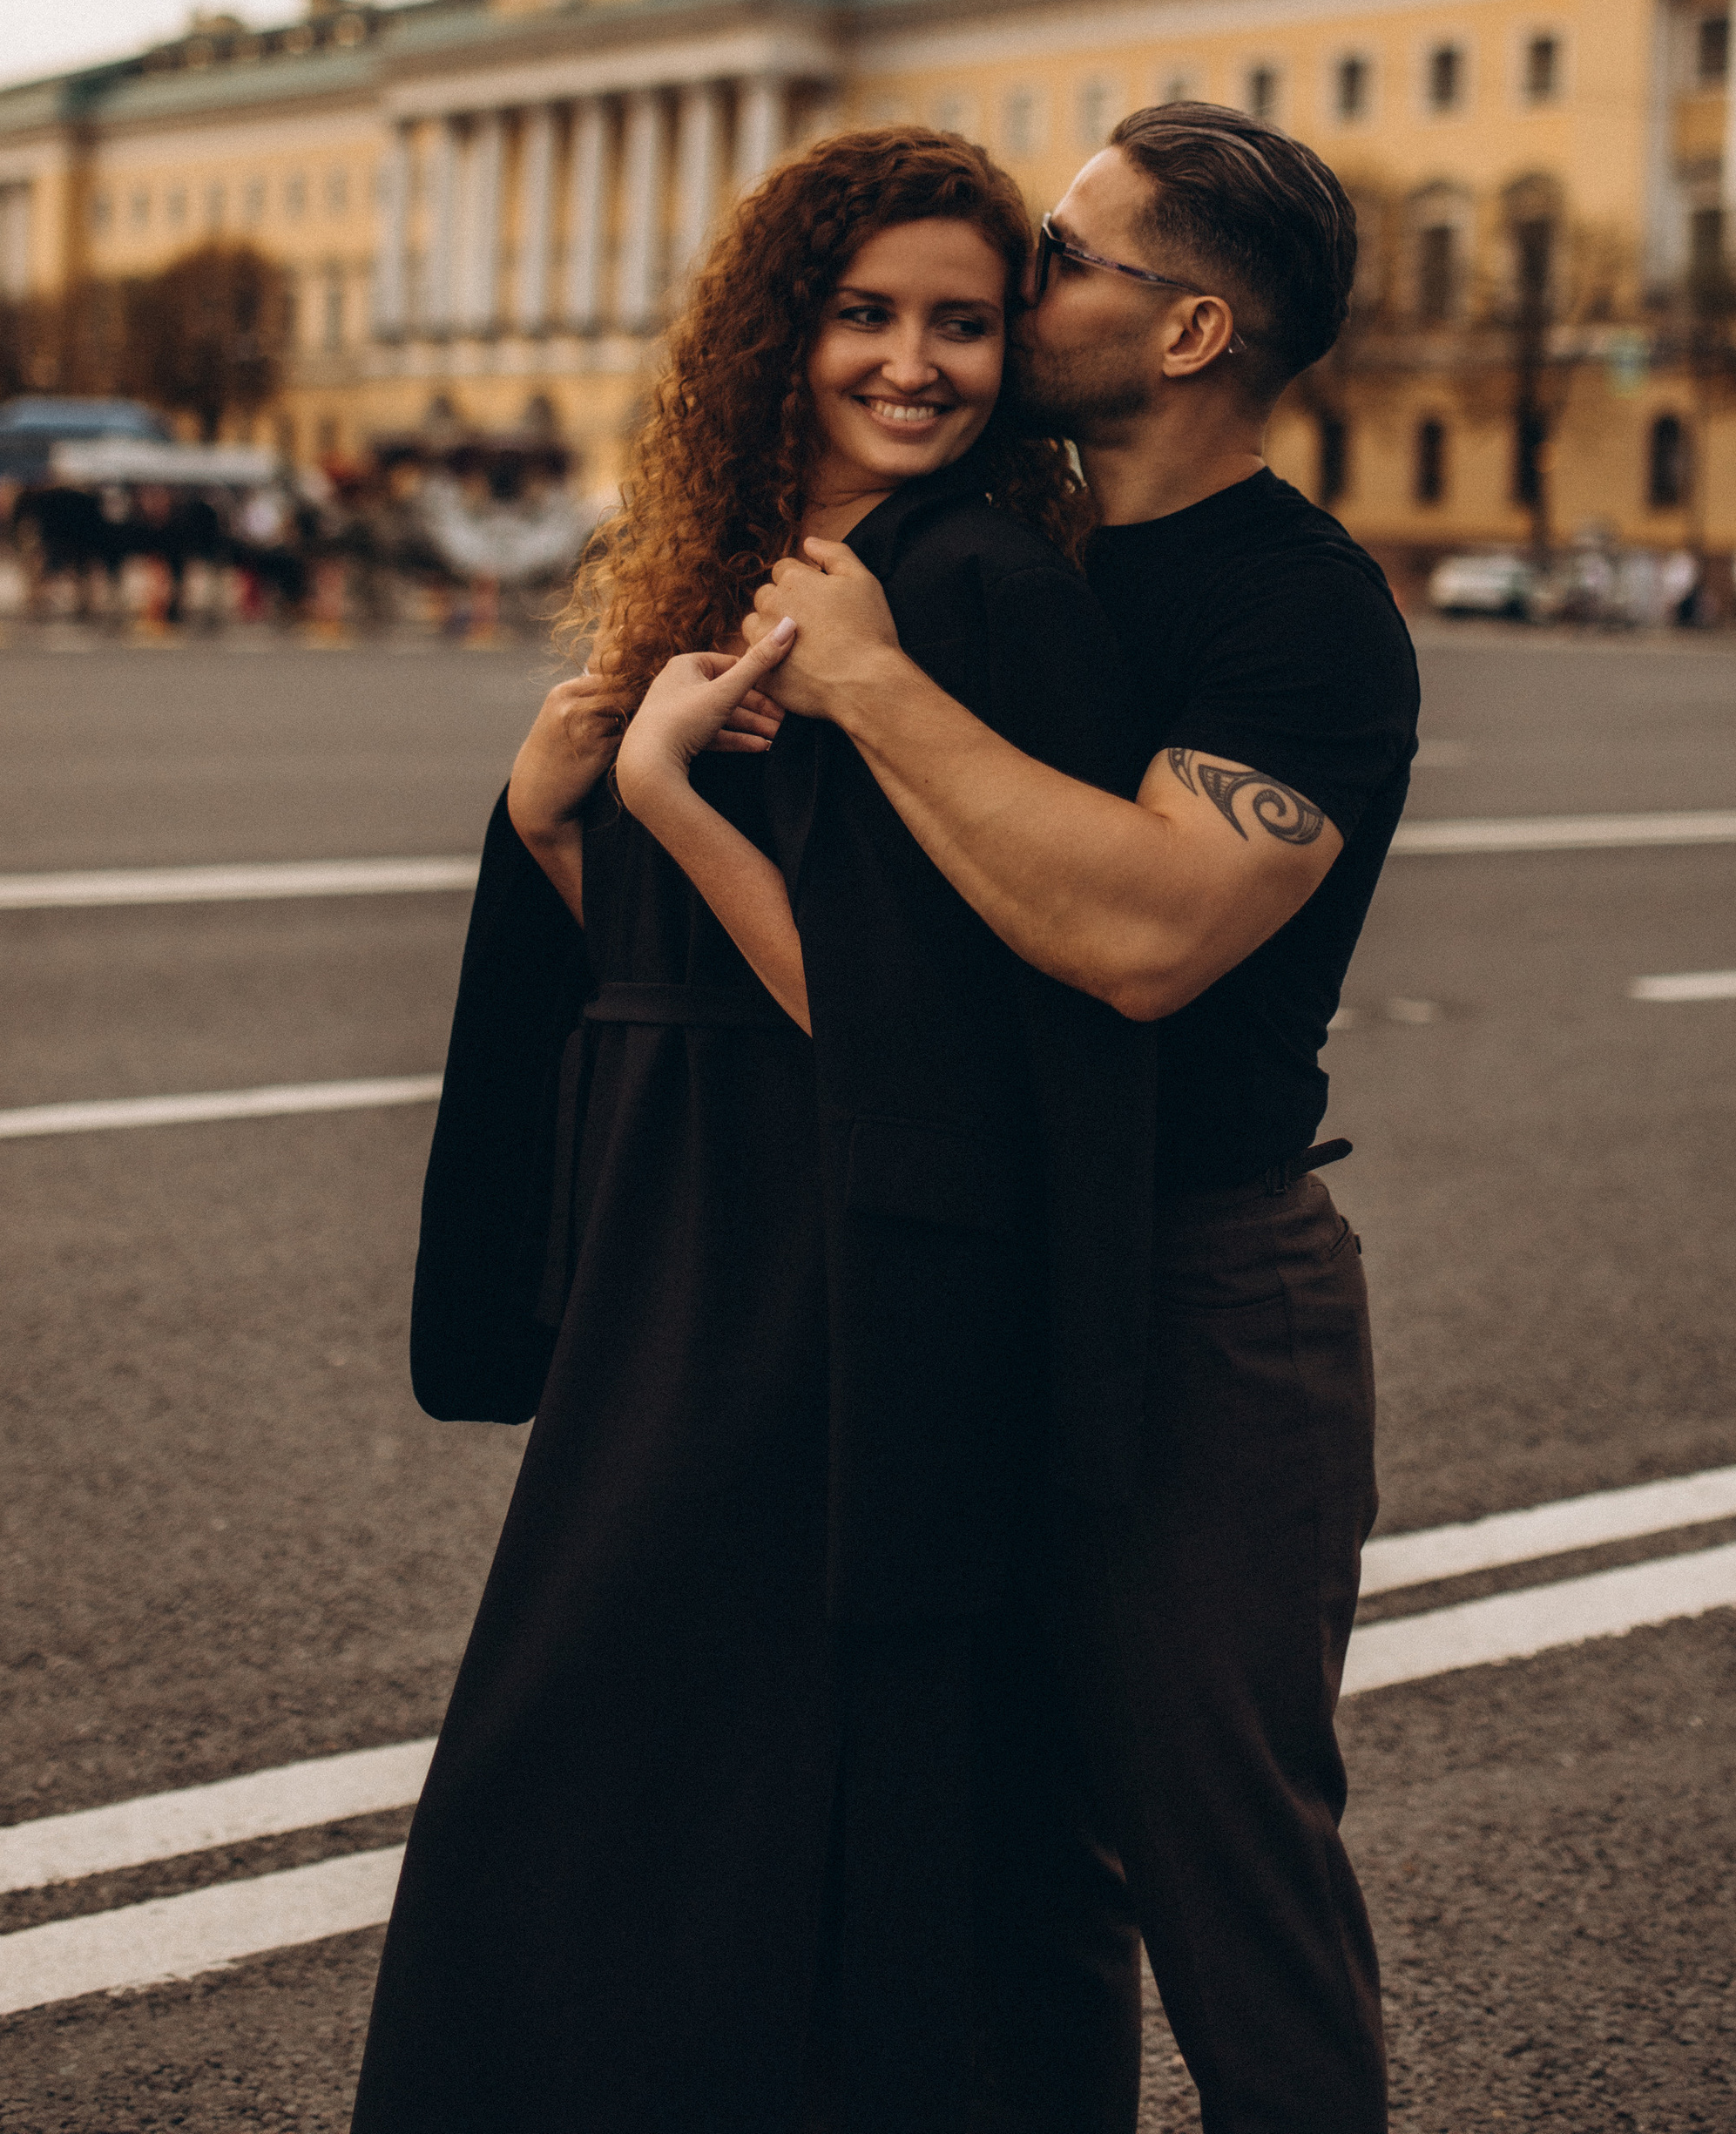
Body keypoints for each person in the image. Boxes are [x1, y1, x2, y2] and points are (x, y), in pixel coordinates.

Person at [353, 129, 1154, 2134]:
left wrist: (669, 795)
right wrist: (557, 819)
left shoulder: (970, 589)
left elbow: (918, 1037)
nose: (912, 363)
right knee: (624, 1778)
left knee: (694, 1796)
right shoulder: (744, 571)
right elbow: (659, 979)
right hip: (681, 1237)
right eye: (862, 314)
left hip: (830, 1275)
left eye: (961, 324)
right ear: (771, 331)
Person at [742, 101, 1418, 2134]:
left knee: (1225, 1863)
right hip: (982, 1256)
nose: (1010, 283)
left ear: (1190, 331)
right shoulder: (988, 540)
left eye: (1060, 251)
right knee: (1000, 1858)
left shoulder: (1297, 610)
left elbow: (1137, 934)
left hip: (1201, 1286)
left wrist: (870, 690)